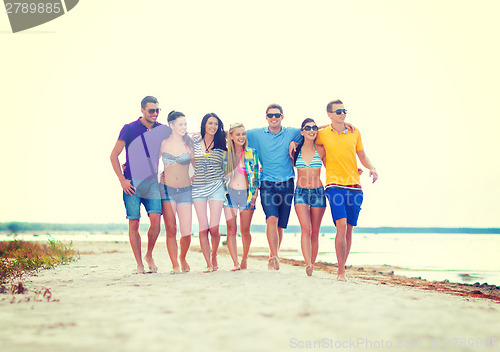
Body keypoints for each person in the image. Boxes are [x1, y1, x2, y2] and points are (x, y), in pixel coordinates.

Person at [316, 99, 378, 281]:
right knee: (341, 226)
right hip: (334, 185)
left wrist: (372, 168)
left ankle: (342, 266)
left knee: (349, 229)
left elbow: (362, 155)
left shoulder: (354, 131)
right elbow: (305, 132)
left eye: (344, 111)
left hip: (355, 186)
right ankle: (340, 272)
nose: (342, 114)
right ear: (329, 114)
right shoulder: (323, 133)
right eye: (338, 111)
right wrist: (329, 125)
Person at [110, 96, 167, 274]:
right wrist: (122, 180)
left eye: (158, 110)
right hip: (131, 183)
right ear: (142, 110)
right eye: (151, 110)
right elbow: (114, 156)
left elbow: (175, 146)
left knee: (156, 221)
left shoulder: (162, 130)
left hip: (152, 183)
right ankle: (139, 264)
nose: (155, 114)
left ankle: (149, 255)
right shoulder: (129, 129)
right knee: (134, 222)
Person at [246, 104, 302, 270]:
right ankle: (274, 256)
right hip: (267, 183)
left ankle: (274, 254)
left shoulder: (292, 132)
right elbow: (236, 134)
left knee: (280, 225)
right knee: (271, 218)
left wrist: (338, 125)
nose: (273, 118)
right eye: (270, 115)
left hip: (287, 183)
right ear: (266, 117)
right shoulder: (256, 134)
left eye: (277, 115)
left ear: (282, 116)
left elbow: (312, 130)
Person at [160, 111, 194, 274]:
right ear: (171, 125)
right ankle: (175, 264)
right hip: (167, 190)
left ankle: (182, 257)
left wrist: (195, 175)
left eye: (185, 124)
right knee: (171, 229)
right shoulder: (163, 144)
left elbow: (197, 164)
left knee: (186, 231)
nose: (184, 127)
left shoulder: (189, 143)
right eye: (180, 124)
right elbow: (150, 162)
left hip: (185, 190)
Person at [192, 113, 227, 273]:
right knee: (203, 227)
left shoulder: (222, 143)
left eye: (216, 124)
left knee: (214, 228)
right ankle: (208, 263)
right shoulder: (194, 141)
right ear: (204, 124)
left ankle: (214, 255)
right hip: (198, 187)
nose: (213, 126)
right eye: (210, 123)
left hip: (216, 188)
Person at [223, 123, 260, 271]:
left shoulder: (252, 153)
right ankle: (235, 263)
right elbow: (219, 176)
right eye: (238, 134)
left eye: (243, 134)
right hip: (229, 194)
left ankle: (244, 259)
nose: (241, 137)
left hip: (247, 195)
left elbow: (257, 175)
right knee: (231, 229)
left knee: (245, 230)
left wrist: (255, 195)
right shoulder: (225, 155)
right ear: (231, 137)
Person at [292, 118, 326, 276]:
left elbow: (333, 165)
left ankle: (312, 263)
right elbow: (283, 164)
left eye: (314, 127)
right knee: (306, 228)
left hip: (318, 192)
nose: (312, 130)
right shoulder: (294, 149)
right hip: (300, 192)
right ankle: (308, 263)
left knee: (315, 231)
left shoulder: (321, 149)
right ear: (302, 131)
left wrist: (355, 170)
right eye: (308, 128)